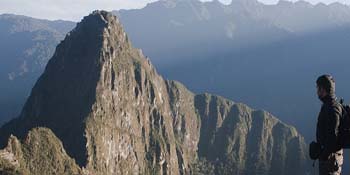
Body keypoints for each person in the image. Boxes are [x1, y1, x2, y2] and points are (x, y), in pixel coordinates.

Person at [316, 74, 343, 175]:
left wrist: (323, 154)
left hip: (331, 160)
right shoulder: (329, 105)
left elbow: (333, 135)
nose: (317, 91)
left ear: (323, 89)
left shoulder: (332, 108)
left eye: (318, 88)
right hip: (330, 158)